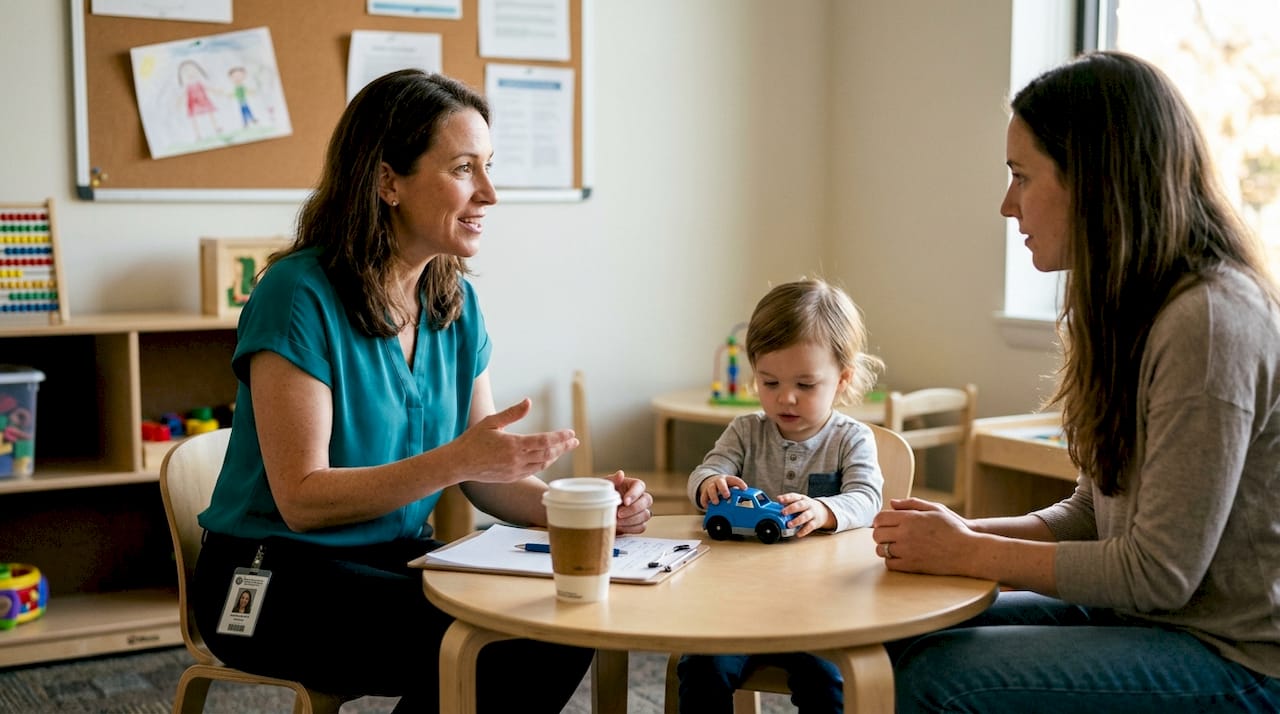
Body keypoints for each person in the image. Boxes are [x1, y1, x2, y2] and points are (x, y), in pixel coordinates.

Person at [190, 69, 655, 714]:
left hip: (391, 561)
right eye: (465, 168)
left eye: (489, 167)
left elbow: (483, 476)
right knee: (497, 643)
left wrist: (585, 511)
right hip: (271, 578)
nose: (489, 193)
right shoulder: (297, 295)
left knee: (564, 619)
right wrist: (459, 459)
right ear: (388, 182)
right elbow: (301, 500)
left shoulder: (454, 300)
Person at [872, 50, 1280, 713]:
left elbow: (1158, 574)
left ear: (1096, 181)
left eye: (1021, 176)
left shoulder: (1207, 321)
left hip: (1235, 658)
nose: (1008, 205)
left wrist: (971, 552)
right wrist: (950, 537)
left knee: (938, 679)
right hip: (1153, 623)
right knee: (900, 636)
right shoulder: (1131, 306)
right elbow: (1092, 514)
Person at [677, 277, 886, 714]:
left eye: (806, 386)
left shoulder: (851, 439)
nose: (785, 398)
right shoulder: (746, 431)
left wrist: (826, 510)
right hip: (737, 604)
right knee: (701, 669)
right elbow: (707, 469)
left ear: (842, 379)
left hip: (819, 606)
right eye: (769, 383)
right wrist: (709, 485)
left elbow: (867, 498)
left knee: (829, 683)